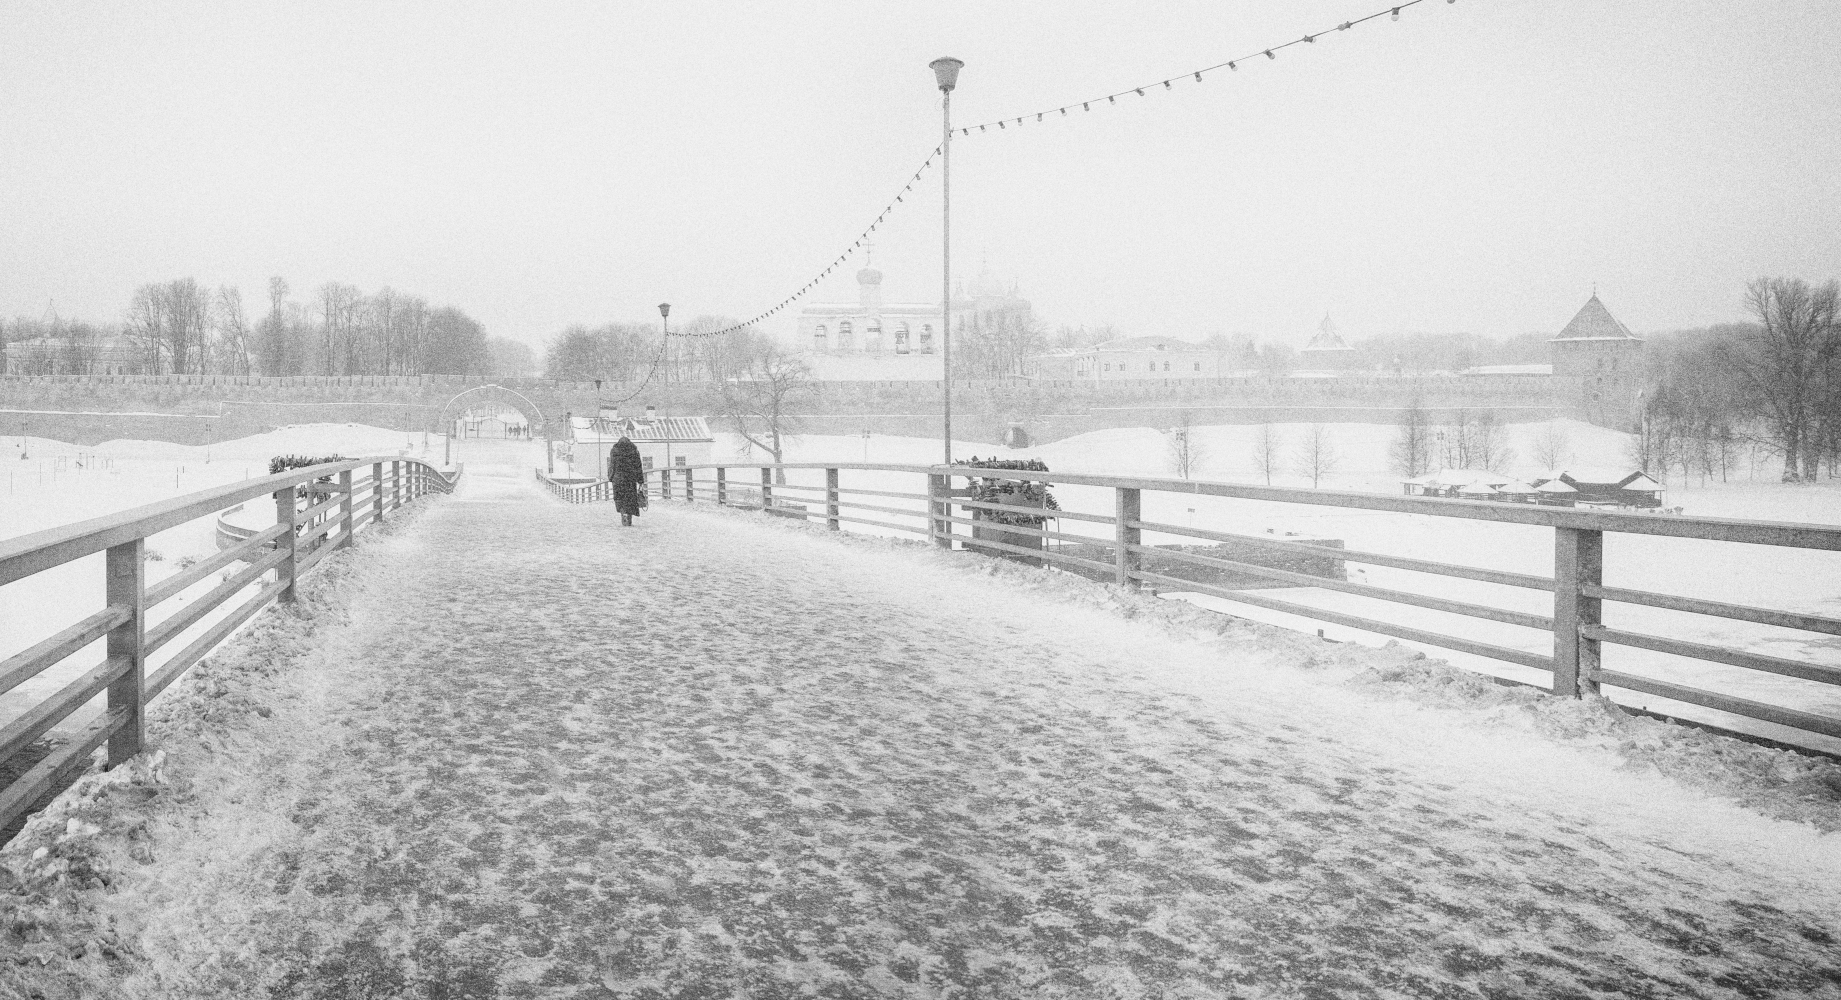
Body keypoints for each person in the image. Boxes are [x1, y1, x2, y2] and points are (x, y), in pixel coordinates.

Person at [608, 435, 646, 527]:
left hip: (618, 479)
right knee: (629, 499)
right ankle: (628, 517)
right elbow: (638, 466)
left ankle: (623, 513)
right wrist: (640, 480)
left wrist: (610, 477)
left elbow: (612, 465)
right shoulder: (634, 451)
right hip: (630, 479)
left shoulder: (614, 451)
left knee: (620, 498)